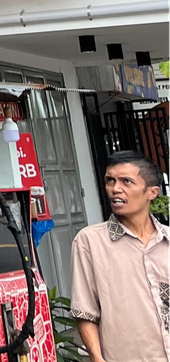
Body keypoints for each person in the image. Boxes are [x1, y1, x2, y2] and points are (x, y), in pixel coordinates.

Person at [71, 150, 170, 362]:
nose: (115, 189)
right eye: (110, 181)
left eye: (126, 181)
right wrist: (96, 357)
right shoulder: (90, 241)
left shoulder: (168, 240)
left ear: (151, 192)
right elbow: (84, 311)